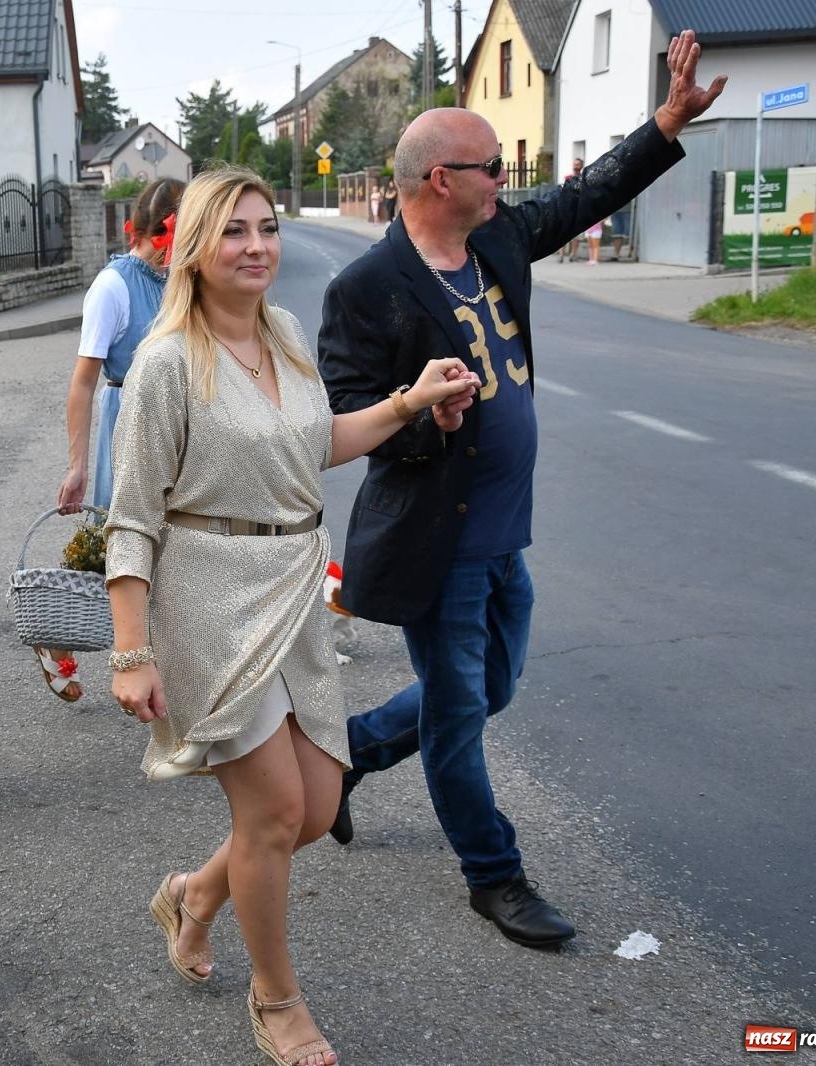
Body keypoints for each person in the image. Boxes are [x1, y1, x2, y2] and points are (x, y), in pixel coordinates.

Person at [318, 32, 725, 949]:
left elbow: (588, 195)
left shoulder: (495, 234)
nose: (507, 176)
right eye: (490, 165)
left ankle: (350, 752)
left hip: (506, 531)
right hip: (439, 541)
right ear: (437, 180)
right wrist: (430, 418)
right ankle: (493, 876)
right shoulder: (367, 288)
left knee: (490, 689)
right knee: (461, 716)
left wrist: (665, 120)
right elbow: (345, 417)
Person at [105, 165, 478, 1066]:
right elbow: (132, 517)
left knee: (311, 811)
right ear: (192, 246)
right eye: (234, 230)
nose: (257, 246)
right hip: (207, 598)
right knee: (274, 811)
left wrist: (409, 402)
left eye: (266, 227)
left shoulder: (282, 332)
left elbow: (317, 447)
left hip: (292, 586)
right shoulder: (166, 363)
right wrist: (129, 652)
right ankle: (277, 1001)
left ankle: (194, 896)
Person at [44, 176, 184, 702]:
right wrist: (77, 465)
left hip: (179, 417)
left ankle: (176, 676)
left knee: (173, 546)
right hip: (129, 414)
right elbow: (83, 382)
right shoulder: (112, 286)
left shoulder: (179, 276)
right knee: (118, 541)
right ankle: (57, 631)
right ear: (164, 231)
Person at [557, 158, 583, 261]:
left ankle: (573, 254)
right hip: (567, 208)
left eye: (578, 165)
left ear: (581, 166)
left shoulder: (583, 178)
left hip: (578, 208)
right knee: (562, 232)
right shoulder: (568, 178)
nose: (576, 167)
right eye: (574, 164)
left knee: (575, 234)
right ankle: (561, 254)